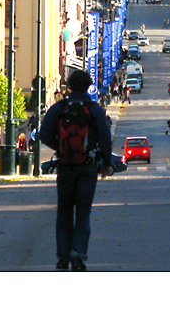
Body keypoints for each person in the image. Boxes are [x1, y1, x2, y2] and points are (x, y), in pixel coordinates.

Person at [39, 68, 113, 271]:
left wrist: (61, 147)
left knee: (63, 211)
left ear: (69, 86)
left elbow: (43, 134)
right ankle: (78, 255)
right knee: (83, 212)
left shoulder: (59, 108)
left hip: (65, 166)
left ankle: (62, 256)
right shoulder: (94, 110)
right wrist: (106, 163)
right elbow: (106, 139)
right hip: (87, 167)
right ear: (88, 85)